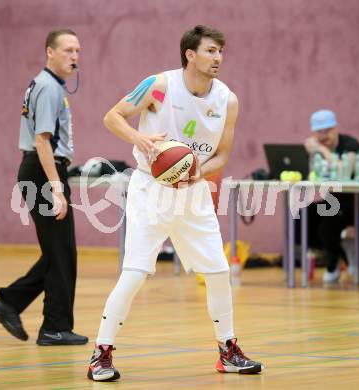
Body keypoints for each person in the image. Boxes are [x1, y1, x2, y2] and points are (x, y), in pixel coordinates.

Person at [87, 25, 263, 382]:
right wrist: (142, 140)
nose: (218, 58)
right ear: (190, 54)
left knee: (218, 272)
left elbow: (222, 156)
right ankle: (101, 353)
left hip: (193, 192)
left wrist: (196, 173)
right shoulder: (160, 86)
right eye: (211, 51)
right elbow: (112, 117)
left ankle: (227, 350)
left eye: (221, 52)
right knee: (135, 273)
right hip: (150, 189)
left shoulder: (227, 100)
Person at [0, 29, 88, 345]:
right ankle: (53, 327)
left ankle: (12, 304)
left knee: (59, 252)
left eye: (77, 51)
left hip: (39, 171)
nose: (74, 57)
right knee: (62, 253)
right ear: (50, 52)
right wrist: (57, 189)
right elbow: (42, 141)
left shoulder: (46, 85)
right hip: (43, 172)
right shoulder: (48, 88)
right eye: (68, 50)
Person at [304, 109, 359, 283]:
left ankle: (334, 261)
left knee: (327, 227)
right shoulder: (319, 150)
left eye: (327, 131)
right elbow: (314, 174)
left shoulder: (351, 144)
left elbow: (345, 173)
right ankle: (338, 254)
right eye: (319, 133)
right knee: (302, 216)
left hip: (354, 200)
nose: (324, 136)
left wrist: (321, 150)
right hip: (333, 199)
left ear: (336, 129)